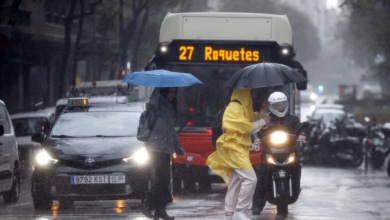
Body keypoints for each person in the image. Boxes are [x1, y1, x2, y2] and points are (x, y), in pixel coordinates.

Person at [206, 88, 269, 220]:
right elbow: (246, 127)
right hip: (234, 148)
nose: (253, 95)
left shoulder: (243, 107)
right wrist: (262, 121)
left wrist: (263, 111)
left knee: (235, 182)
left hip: (239, 148)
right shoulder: (234, 107)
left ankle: (229, 213)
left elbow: (252, 120)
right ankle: (241, 210)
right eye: (251, 92)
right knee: (251, 179)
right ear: (244, 93)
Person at [251, 91, 306, 215]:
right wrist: (256, 138)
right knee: (262, 175)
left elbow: (300, 128)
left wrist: (302, 134)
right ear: (271, 105)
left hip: (290, 150)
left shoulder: (293, 117)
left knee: (297, 167)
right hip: (270, 150)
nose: (280, 107)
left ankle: (296, 188)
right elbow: (256, 129)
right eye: (277, 105)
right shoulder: (266, 118)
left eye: (282, 104)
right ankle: (257, 205)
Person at [141, 87, 185, 220]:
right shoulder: (156, 105)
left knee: (164, 181)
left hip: (166, 148)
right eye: (171, 92)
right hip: (155, 147)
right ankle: (148, 203)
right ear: (164, 92)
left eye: (175, 92)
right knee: (163, 178)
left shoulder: (170, 108)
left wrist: (179, 148)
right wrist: (156, 95)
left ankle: (160, 210)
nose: (173, 94)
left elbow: (172, 131)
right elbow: (153, 103)